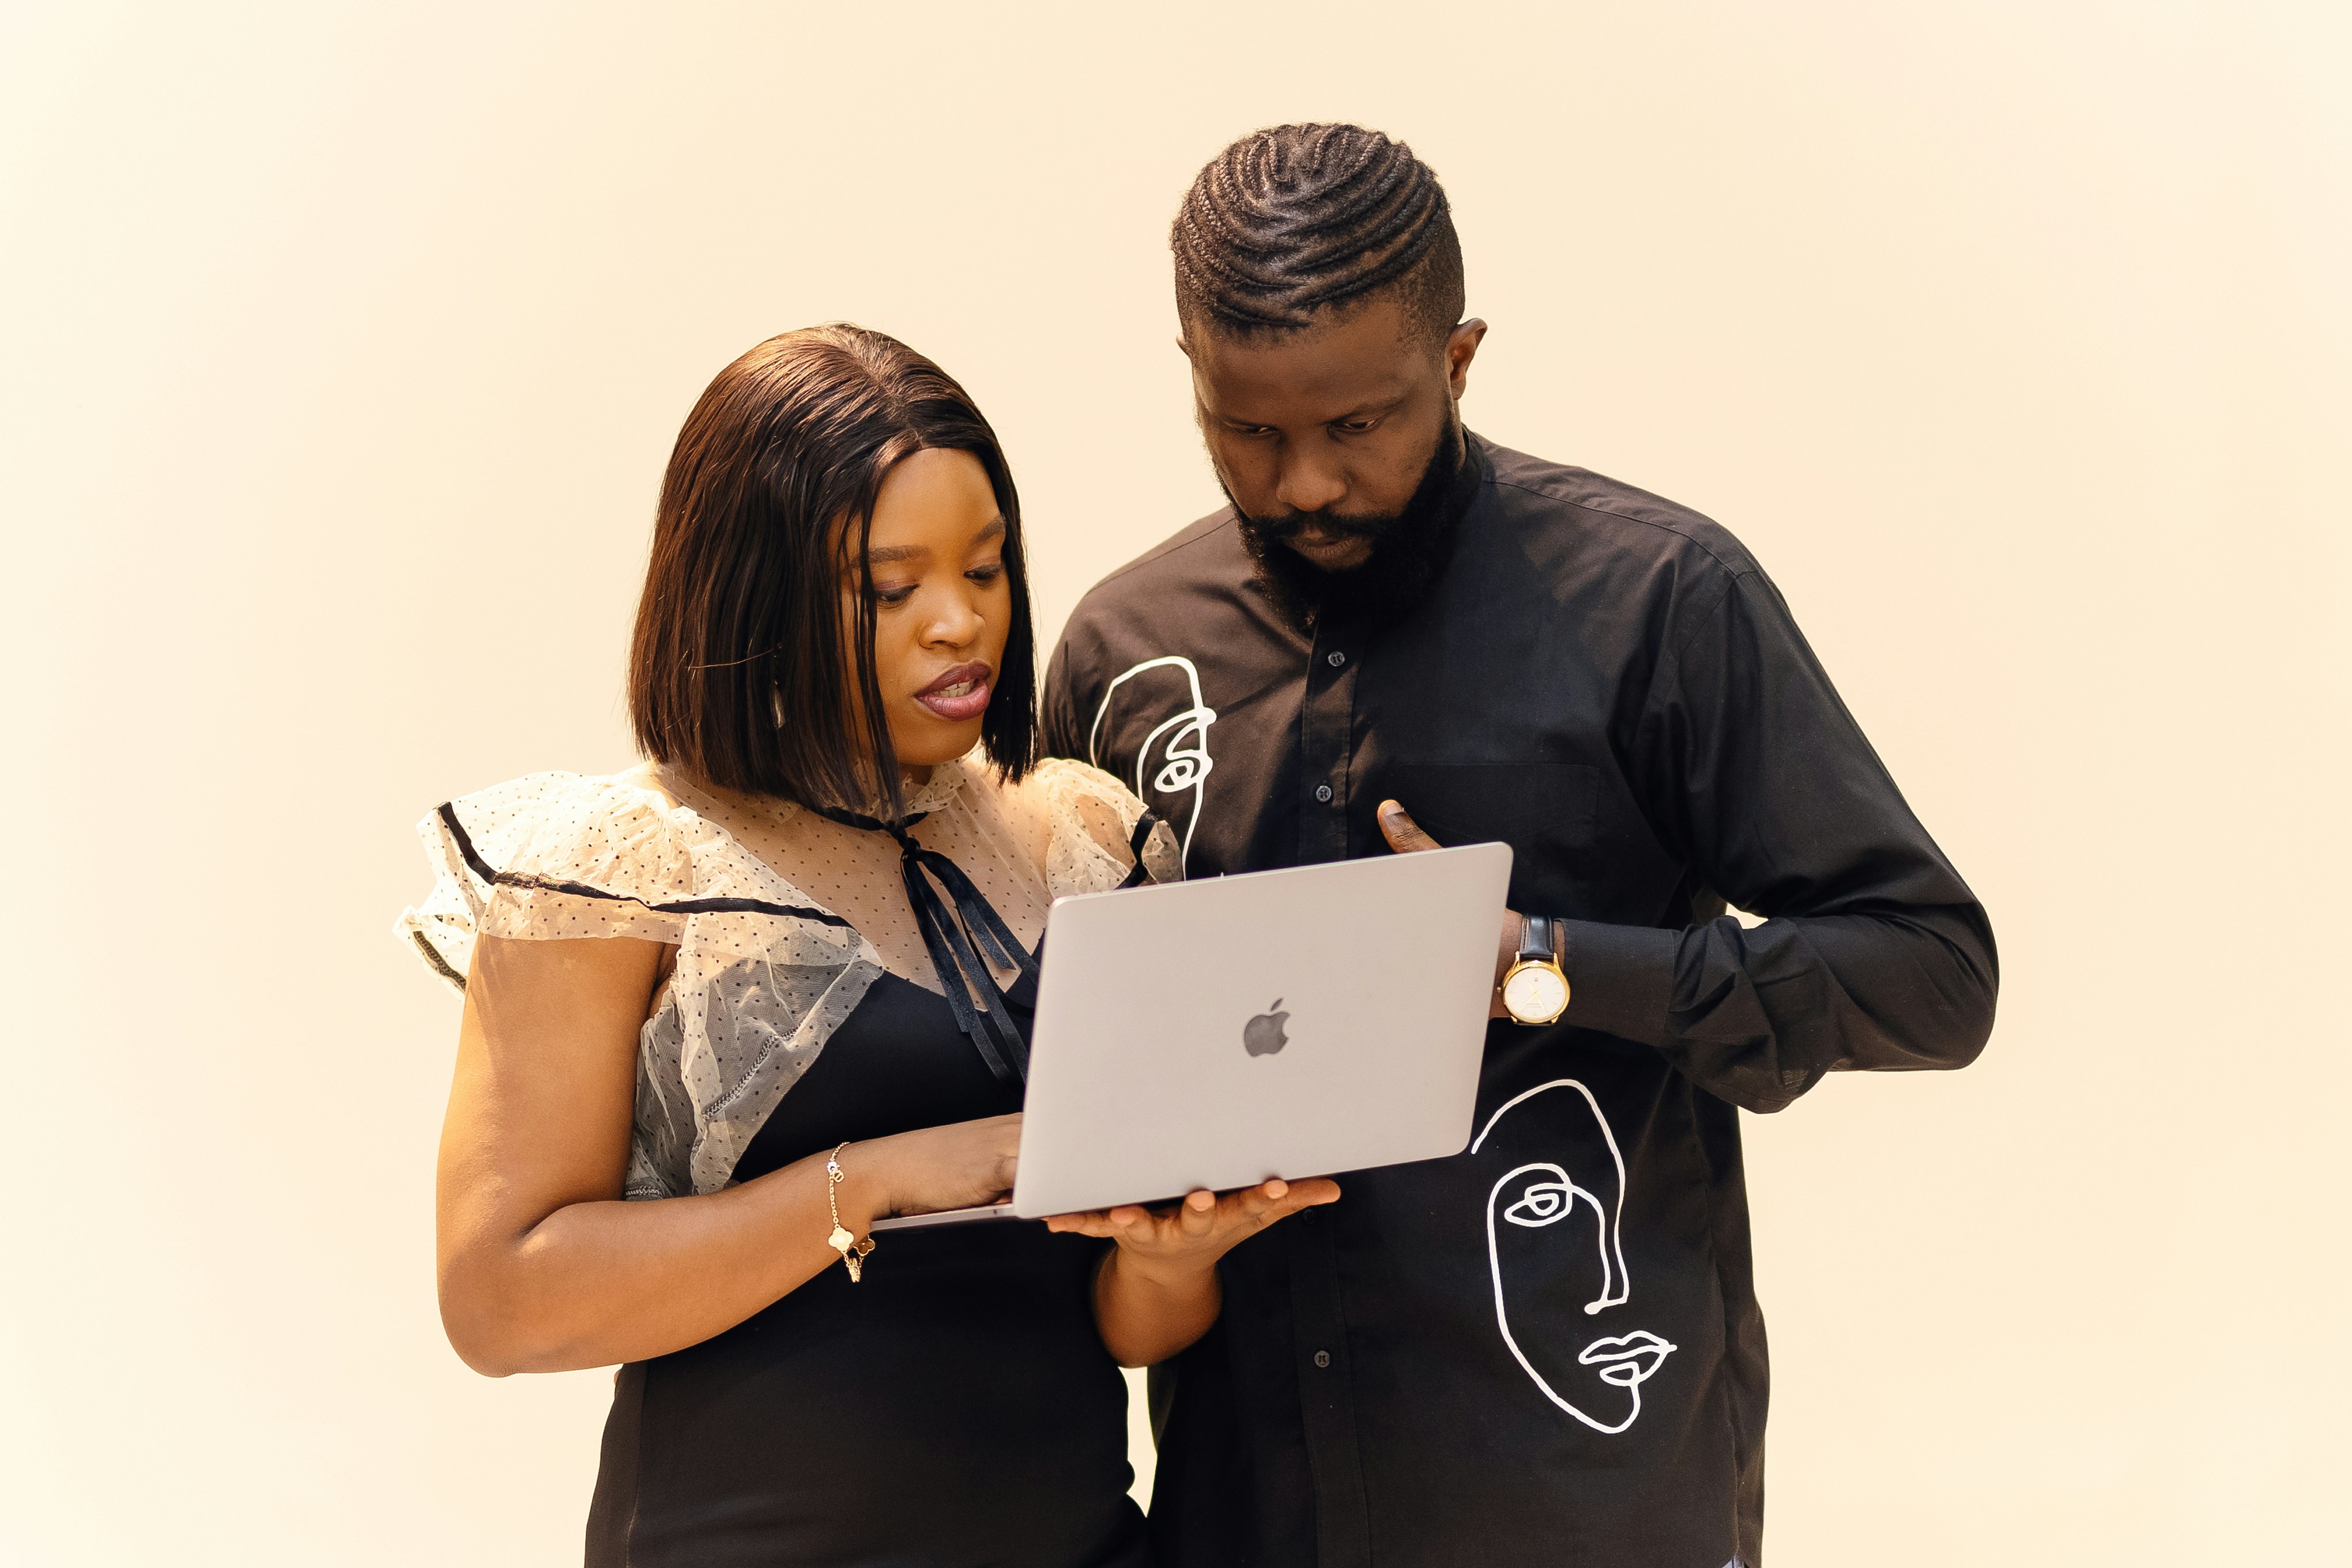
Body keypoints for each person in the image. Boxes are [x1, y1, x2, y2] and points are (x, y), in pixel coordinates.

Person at [1041, 125, 1999, 1568]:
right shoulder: (1120, 653)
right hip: (1245, 1511)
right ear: (1188, 367)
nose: (1302, 481)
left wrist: (1542, 966)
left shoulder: (1660, 600)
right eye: (1247, 428)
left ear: (1461, 358)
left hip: (1585, 1498)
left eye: (1358, 423)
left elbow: (1930, 975)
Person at [398, 324, 1336, 1567]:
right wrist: (880, 1177)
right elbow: (502, 1298)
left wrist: (1178, 1257)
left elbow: (1123, 1326)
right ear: (749, 597)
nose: (960, 623)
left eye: (987, 569)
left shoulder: (1085, 838)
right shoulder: (623, 868)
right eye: (890, 590)